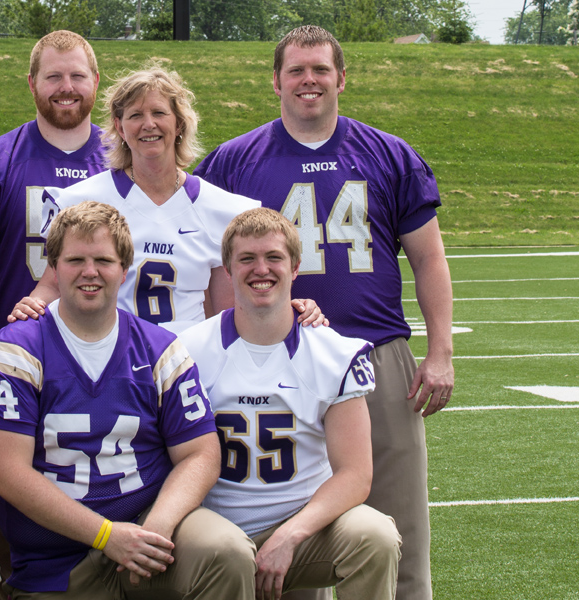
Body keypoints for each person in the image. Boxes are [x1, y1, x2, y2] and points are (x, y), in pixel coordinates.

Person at [193, 25, 454, 599]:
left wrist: (439, 352)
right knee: (287, 517)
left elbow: (429, 260)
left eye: (319, 69)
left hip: (375, 353)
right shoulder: (234, 161)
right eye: (296, 70)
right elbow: (213, 267)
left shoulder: (388, 154)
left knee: (396, 524)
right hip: (275, 358)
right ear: (276, 81)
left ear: (341, 77)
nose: (308, 80)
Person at [0, 201, 255, 598]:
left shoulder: (160, 349)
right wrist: (106, 535)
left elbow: (201, 453)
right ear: (53, 267)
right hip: (56, 560)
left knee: (225, 551)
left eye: (103, 260)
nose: (90, 272)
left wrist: (158, 525)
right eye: (75, 260)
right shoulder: (17, 350)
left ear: (124, 270)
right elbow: (7, 471)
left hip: (148, 536)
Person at [179, 208, 401, 599]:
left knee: (375, 535)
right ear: (227, 271)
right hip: (215, 528)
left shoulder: (332, 353)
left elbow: (355, 475)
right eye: (246, 259)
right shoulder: (190, 349)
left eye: (274, 257)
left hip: (302, 527)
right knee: (223, 551)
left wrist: (291, 535)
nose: (260, 269)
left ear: (296, 267)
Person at [11, 66, 265, 334]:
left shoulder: (221, 209)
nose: (148, 124)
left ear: (179, 123)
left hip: (187, 360)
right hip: (107, 357)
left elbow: (225, 315)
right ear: (119, 127)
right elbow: (53, 286)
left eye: (158, 113)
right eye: (135, 115)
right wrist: (33, 307)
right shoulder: (79, 200)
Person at [0, 30, 108, 342]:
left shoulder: (124, 163)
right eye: (53, 76)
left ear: (95, 81)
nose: (66, 87)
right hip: (14, 346)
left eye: (77, 76)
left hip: (102, 351)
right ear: (32, 83)